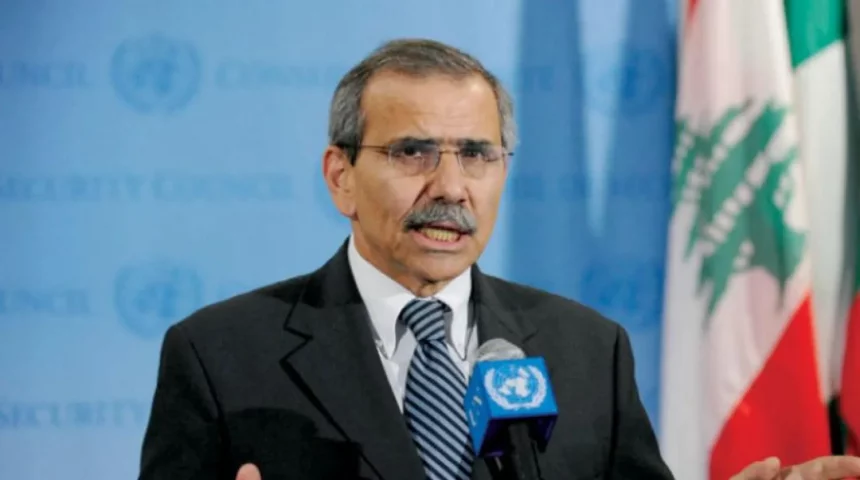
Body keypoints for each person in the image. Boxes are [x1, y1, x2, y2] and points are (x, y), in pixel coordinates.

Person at [138, 38, 860, 480]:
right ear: (341, 177)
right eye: (412, 152)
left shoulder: (588, 350)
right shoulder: (221, 356)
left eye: (478, 155)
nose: (451, 187)